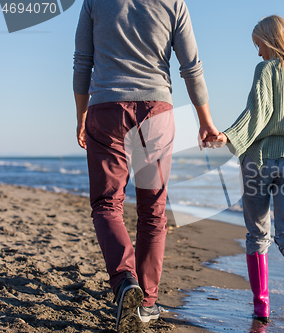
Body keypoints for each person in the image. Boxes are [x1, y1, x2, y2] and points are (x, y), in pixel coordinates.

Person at [72, 0, 218, 331]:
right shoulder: (174, 3)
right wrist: (205, 121)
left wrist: (81, 116)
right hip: (156, 113)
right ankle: (147, 303)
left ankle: (125, 281)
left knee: (108, 205)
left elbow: (83, 62)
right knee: (153, 210)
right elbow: (191, 66)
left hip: (107, 111)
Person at [209, 15, 284, 333]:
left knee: (257, 235)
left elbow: (258, 114)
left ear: (270, 41)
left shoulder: (267, 70)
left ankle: (261, 309)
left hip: (259, 160)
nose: (259, 53)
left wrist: (228, 136)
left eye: (259, 46)